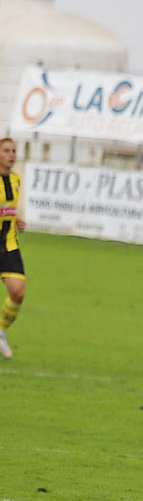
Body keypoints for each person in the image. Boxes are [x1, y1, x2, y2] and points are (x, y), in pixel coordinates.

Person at [0, 137, 27, 361]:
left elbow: (7, 208)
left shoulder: (16, 180)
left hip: (9, 244)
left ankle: (0, 333)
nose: (11, 154)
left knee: (18, 292)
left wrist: (16, 219)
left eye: (14, 151)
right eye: (6, 150)